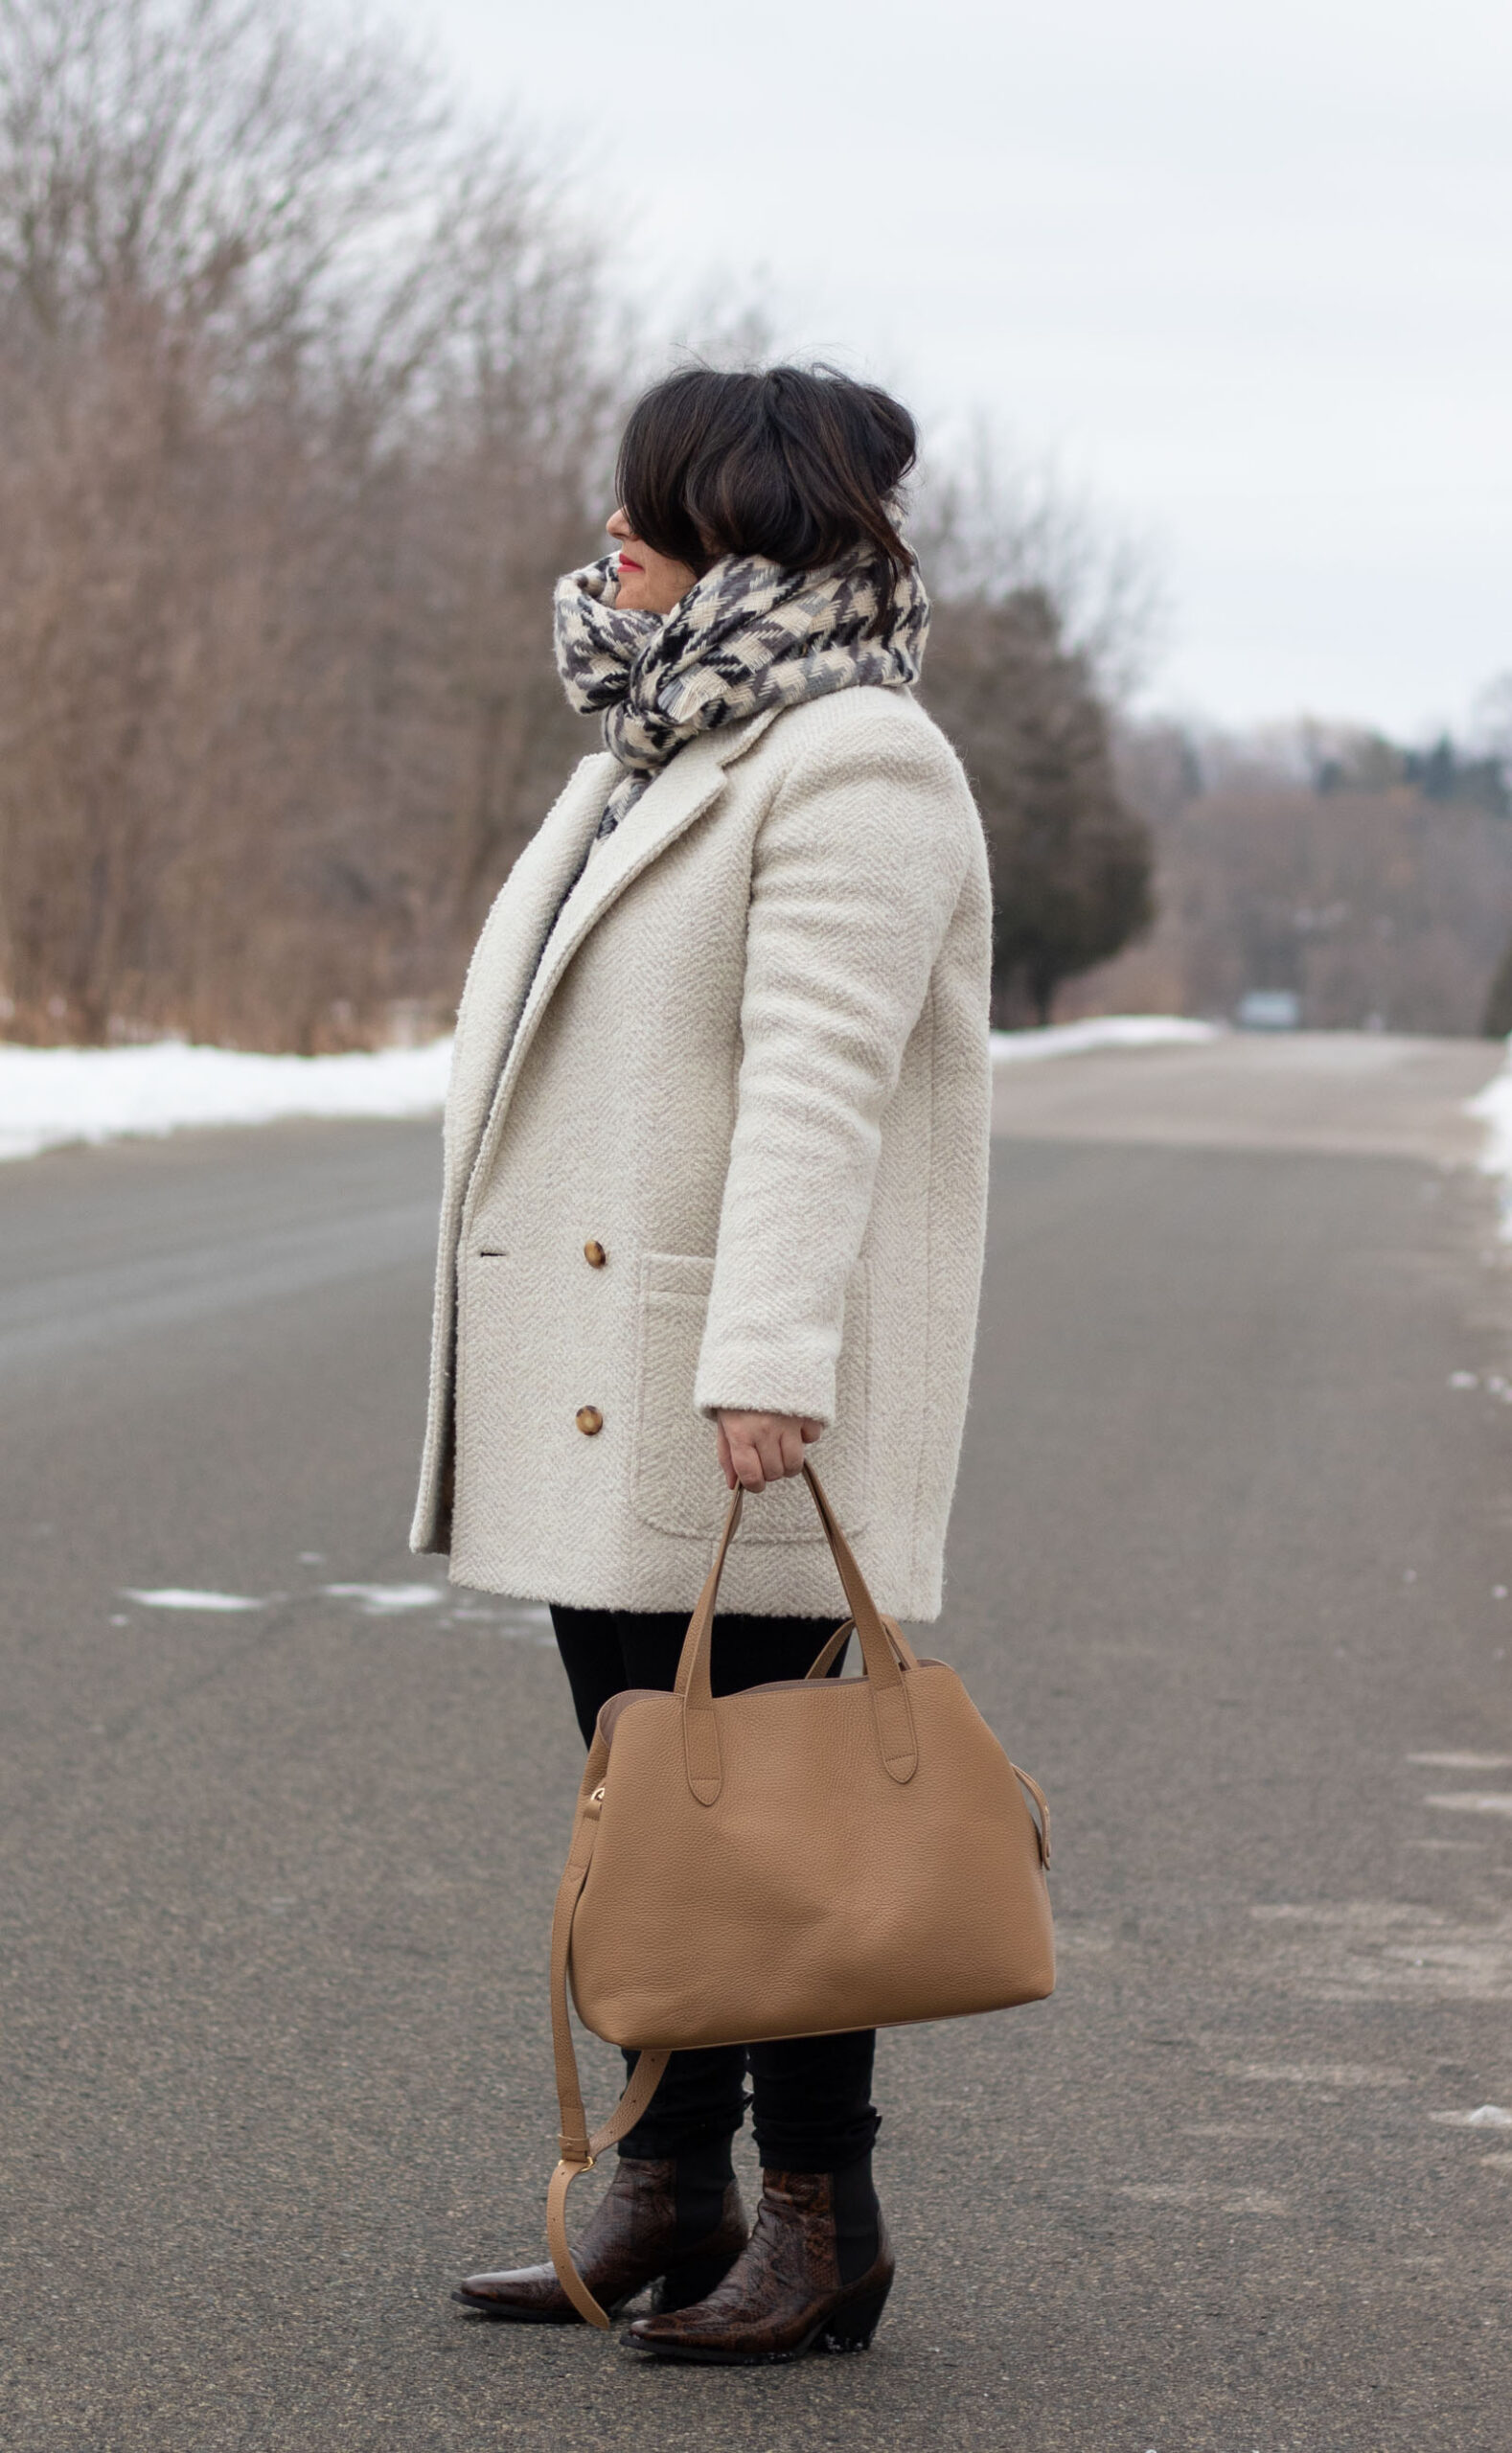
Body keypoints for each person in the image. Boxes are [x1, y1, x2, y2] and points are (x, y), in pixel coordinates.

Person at [410, 363, 992, 2362]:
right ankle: (671, 2186)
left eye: (646, 506)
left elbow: (821, 1088)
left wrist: (768, 1359)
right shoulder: (663, 732)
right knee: (650, 1788)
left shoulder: (857, 761)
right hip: (605, 1358)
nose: (612, 535)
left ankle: (825, 2220)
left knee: (774, 1814)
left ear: (743, 525)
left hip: (720, 1378)